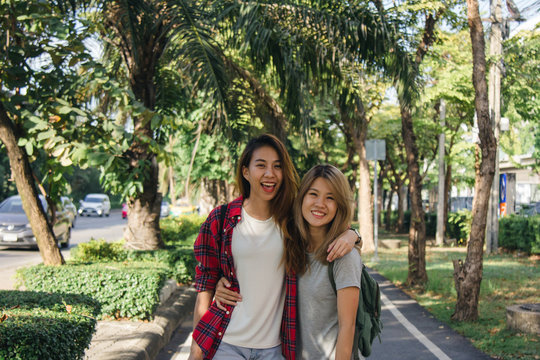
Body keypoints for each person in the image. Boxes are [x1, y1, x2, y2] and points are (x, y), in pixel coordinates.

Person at [189, 135, 360, 360]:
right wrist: (195, 351)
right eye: (261, 165)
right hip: (227, 341)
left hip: (274, 349)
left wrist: (353, 235)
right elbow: (205, 287)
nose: (270, 173)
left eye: (277, 166)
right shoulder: (221, 220)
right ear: (246, 172)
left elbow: (329, 225)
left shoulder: (292, 220)